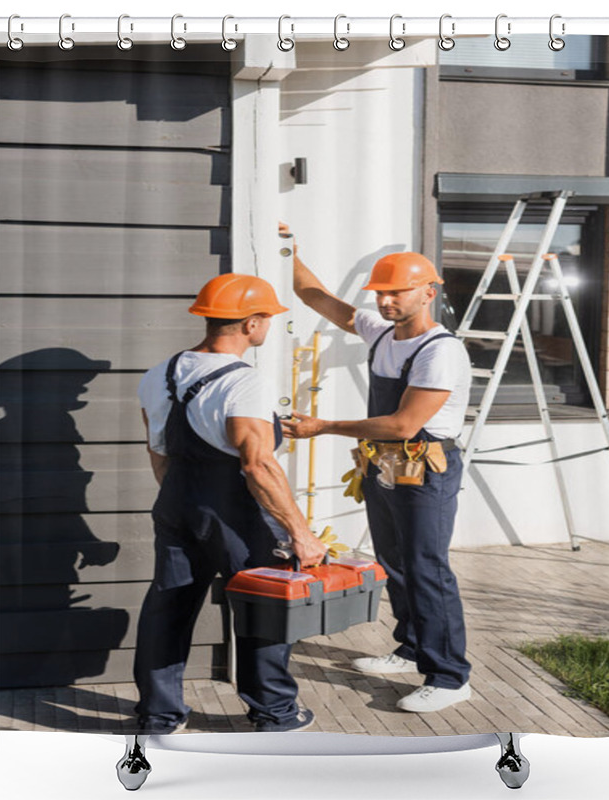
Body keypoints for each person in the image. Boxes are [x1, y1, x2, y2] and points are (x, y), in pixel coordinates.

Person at [281, 226, 473, 713]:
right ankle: (411, 648)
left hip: (423, 466)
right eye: (380, 293)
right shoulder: (382, 331)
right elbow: (315, 296)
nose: (385, 300)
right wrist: (291, 251)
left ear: (428, 292)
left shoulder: (440, 351)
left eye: (396, 292)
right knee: (396, 562)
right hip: (384, 465)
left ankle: (449, 676)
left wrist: (323, 426)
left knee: (428, 570)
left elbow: (405, 423)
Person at [134, 272, 327, 734]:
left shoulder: (157, 374)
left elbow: (158, 451)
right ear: (252, 323)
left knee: (169, 606)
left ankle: (158, 716)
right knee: (263, 605)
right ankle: (275, 713)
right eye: (268, 318)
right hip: (234, 513)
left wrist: (182, 503)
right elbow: (258, 466)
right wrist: (301, 533)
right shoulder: (245, 384)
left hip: (177, 501)